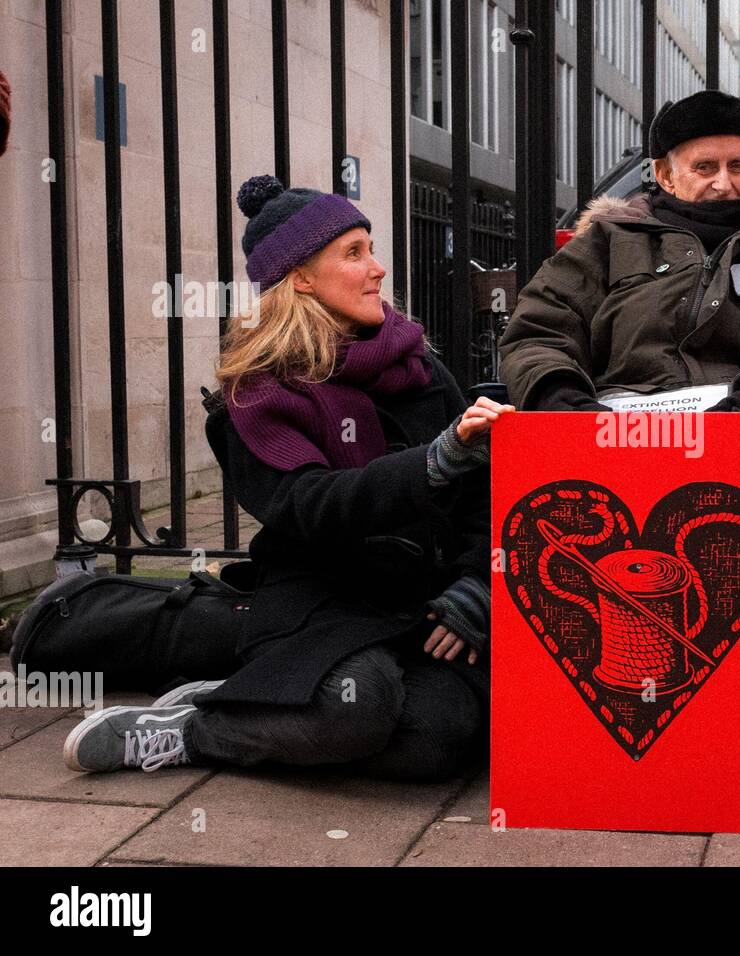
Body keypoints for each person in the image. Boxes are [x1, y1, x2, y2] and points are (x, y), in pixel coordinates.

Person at [62, 175, 512, 779]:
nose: (378, 269)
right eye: (353, 254)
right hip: (321, 598)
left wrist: (473, 588)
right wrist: (432, 462)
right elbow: (307, 505)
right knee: (357, 708)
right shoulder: (260, 389)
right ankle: (192, 732)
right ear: (301, 277)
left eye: (370, 248)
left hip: (421, 600)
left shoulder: (415, 361)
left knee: (441, 737)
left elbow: (483, 495)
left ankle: (266, 703)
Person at [498, 90, 740, 633]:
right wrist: (564, 403)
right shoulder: (606, 244)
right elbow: (538, 329)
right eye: (704, 166)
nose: (723, 182)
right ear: (664, 172)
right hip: (615, 449)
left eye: (737, 166)